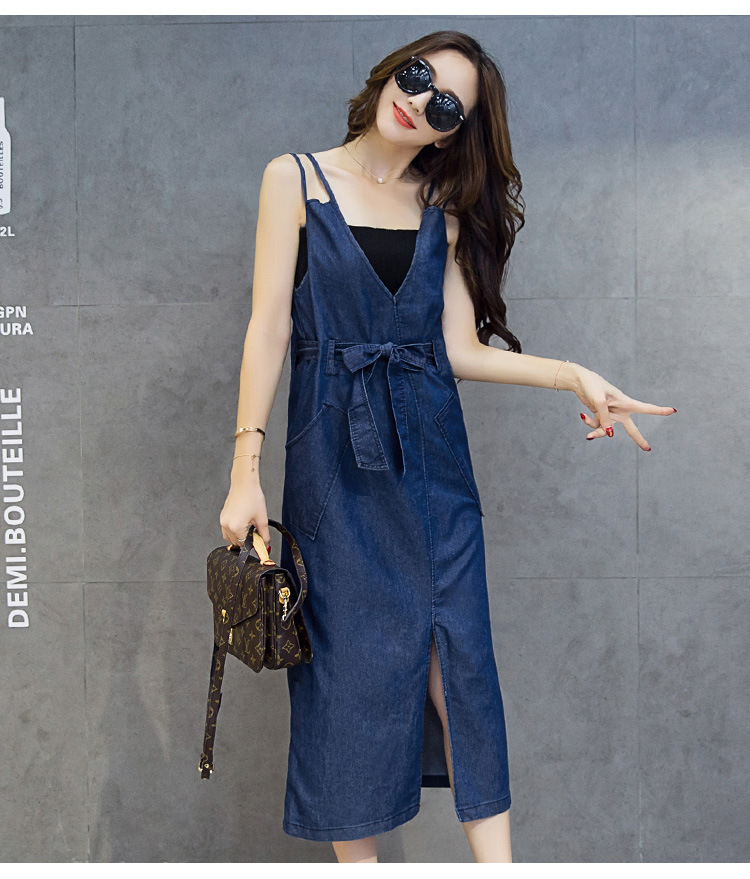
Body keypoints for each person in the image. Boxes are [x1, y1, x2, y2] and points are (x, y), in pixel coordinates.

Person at [219, 31, 676, 864]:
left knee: (460, 663)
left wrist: (572, 375)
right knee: (345, 675)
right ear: (391, 70)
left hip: (433, 463)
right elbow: (269, 328)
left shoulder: (444, 211)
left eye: (445, 104)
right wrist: (244, 471)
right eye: (417, 75)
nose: (418, 100)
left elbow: (459, 351)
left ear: (451, 132)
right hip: (335, 464)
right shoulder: (295, 179)